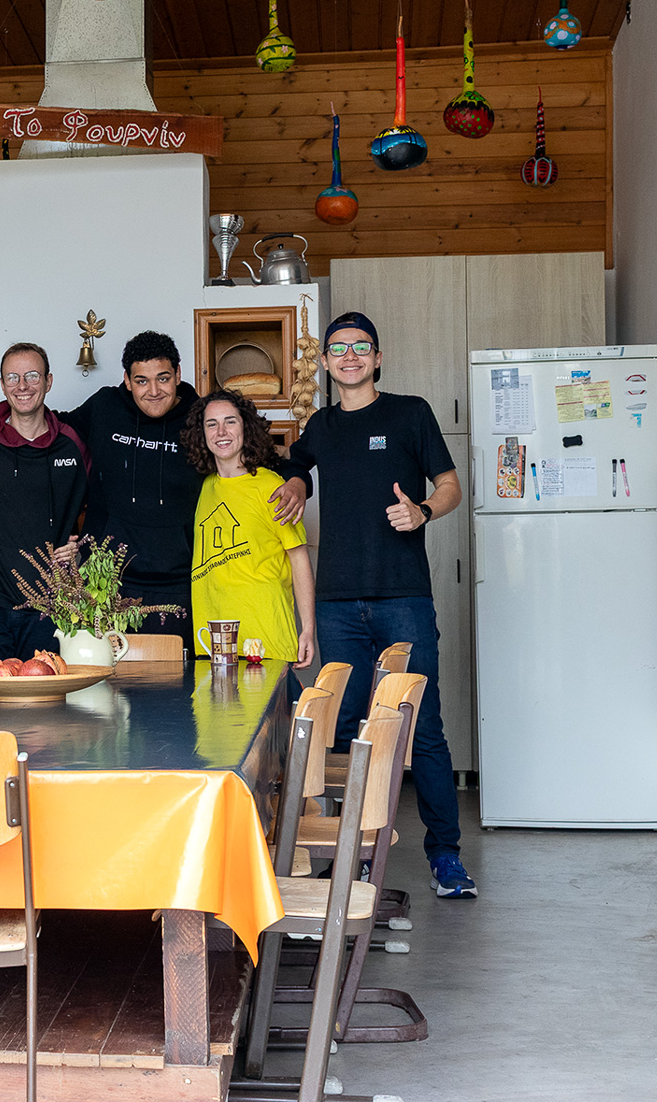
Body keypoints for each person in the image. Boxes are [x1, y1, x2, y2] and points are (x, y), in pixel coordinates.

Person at [269, 311, 474, 899]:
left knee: (422, 727)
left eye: (361, 347)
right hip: (336, 604)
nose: (350, 356)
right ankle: (350, 857)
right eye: (339, 349)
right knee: (344, 734)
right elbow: (297, 468)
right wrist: (295, 486)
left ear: (378, 358)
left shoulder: (410, 413)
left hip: (402, 597)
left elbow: (451, 485)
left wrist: (425, 512)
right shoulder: (320, 425)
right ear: (327, 363)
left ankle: (446, 857)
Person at [55, 331, 200, 642]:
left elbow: (244, 454)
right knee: (105, 681)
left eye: (163, 378)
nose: (153, 390)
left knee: (177, 682)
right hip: (106, 580)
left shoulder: (201, 419)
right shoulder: (106, 406)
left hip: (179, 581)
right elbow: (52, 428)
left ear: (178, 374)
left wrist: (295, 478)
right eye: (141, 381)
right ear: (127, 380)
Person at [0, 343, 90, 660]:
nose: (22, 386)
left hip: (51, 602)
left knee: (46, 701)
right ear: (2, 385)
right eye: (12, 378)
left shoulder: (73, 444)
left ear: (49, 381)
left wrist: (79, 547)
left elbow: (102, 507)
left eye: (32, 376)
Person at [183, 389, 314, 668]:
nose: (221, 431)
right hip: (213, 642)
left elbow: (299, 557)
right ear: (202, 434)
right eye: (211, 424)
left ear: (246, 428)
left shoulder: (271, 486)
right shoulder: (204, 488)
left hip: (266, 640)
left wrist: (308, 629)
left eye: (230, 421)